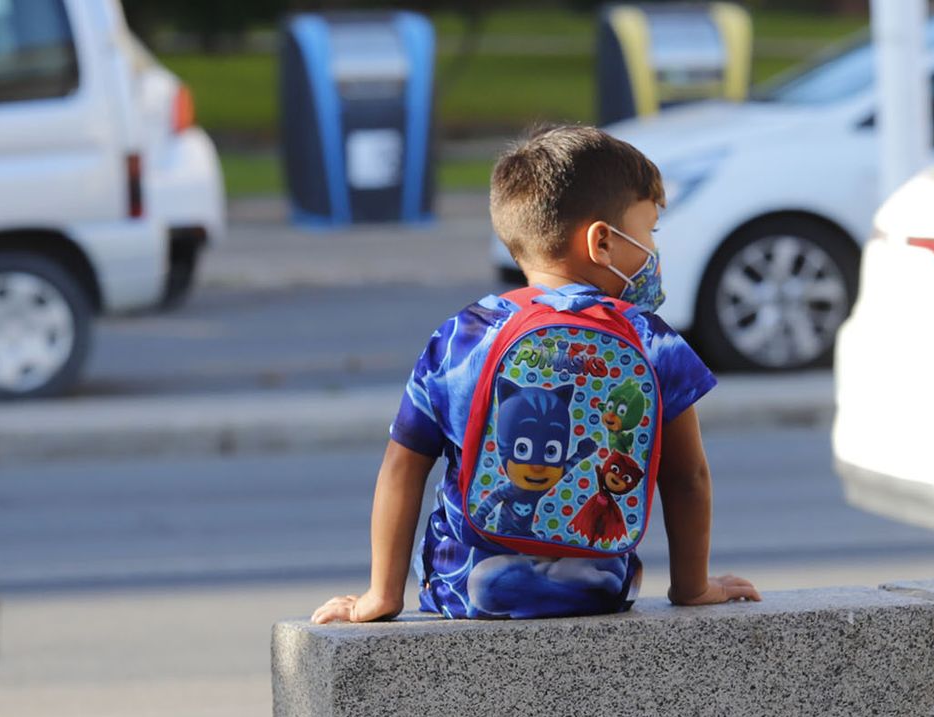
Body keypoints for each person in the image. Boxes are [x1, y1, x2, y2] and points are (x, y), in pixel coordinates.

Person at [313, 125, 760, 624]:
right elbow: (688, 476)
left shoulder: (464, 335)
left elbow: (403, 465)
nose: (653, 252)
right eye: (649, 231)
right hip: (597, 590)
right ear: (602, 242)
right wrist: (693, 587)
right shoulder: (651, 340)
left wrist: (382, 595)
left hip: (462, 591)